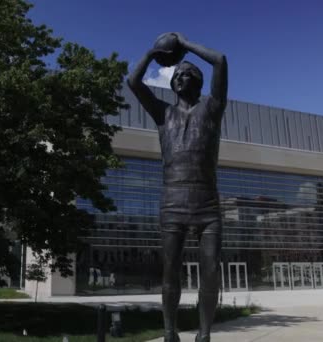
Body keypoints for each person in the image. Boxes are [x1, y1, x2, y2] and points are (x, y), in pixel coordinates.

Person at [127, 32, 228, 342]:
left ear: (196, 81)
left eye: (188, 74)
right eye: (177, 74)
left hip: (207, 204)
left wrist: (184, 45)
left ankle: (205, 334)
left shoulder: (212, 108)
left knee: (210, 270)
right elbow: (134, 82)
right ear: (172, 84)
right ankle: (170, 332)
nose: (181, 77)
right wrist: (153, 50)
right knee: (170, 270)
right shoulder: (163, 114)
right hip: (172, 201)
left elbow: (220, 61)